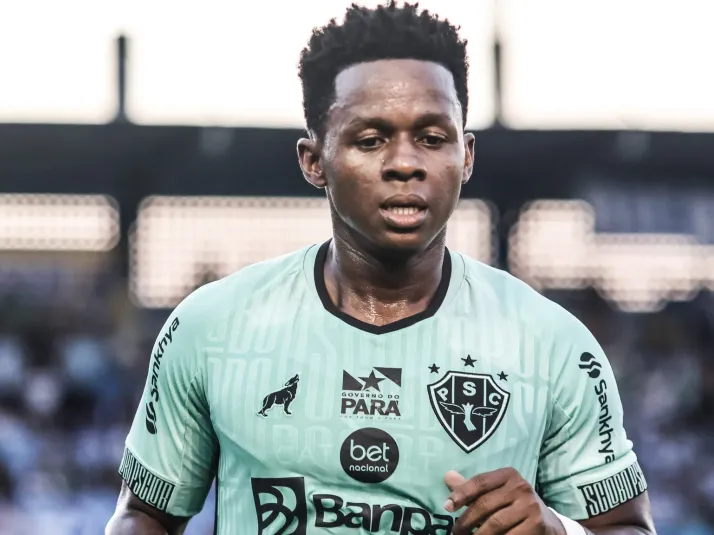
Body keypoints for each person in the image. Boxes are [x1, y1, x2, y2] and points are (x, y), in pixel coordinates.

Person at [106, 2, 656, 534]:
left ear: (465, 156)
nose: (405, 163)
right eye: (370, 140)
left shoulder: (553, 344)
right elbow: (145, 516)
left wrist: (559, 531)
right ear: (314, 160)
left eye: (432, 138)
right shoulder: (213, 327)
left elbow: (626, 528)